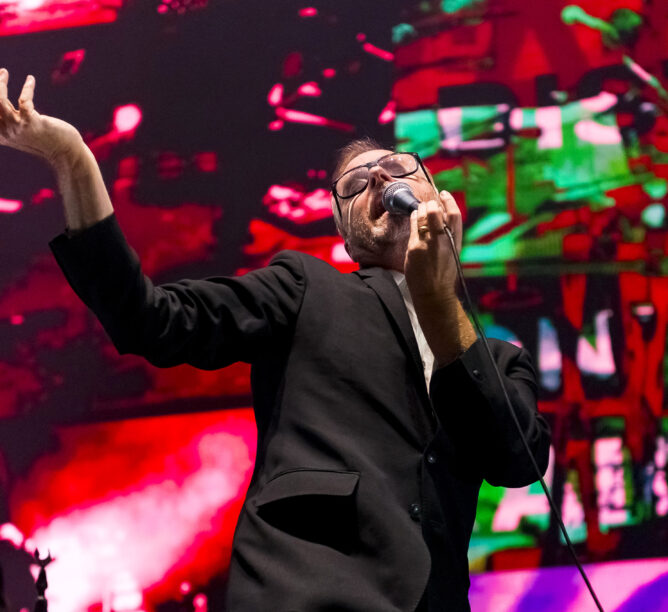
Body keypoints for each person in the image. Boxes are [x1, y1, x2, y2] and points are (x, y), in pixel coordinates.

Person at [0, 70, 551, 611]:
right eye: (356, 185)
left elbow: (515, 460)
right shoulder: (306, 288)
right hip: (309, 594)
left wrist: (440, 306)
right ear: (347, 235)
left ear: (440, 197)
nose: (380, 181)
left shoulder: (503, 362)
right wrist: (73, 159)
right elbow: (151, 320)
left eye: (397, 168)